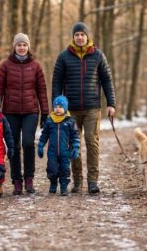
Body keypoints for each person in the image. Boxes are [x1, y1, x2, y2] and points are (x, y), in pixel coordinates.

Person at [52, 22, 116, 194]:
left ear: (87, 36)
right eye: (77, 35)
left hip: (92, 108)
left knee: (91, 140)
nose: (80, 37)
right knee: (73, 144)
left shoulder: (98, 56)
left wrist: (111, 103)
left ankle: (93, 181)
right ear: (73, 37)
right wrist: (57, 105)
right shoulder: (64, 56)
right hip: (70, 110)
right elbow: (56, 82)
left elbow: (107, 80)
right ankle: (78, 181)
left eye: (82, 34)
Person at [0, 33, 49, 195]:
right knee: (14, 146)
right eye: (19, 45)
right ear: (14, 47)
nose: (22, 47)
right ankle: (17, 181)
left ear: (28, 47)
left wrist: (45, 112)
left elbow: (42, 90)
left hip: (30, 111)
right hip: (10, 112)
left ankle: (29, 179)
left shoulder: (36, 66)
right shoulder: (5, 66)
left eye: (24, 45)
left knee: (27, 143)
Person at [37, 95, 80, 196]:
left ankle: (64, 187)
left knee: (65, 169)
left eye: (60, 107)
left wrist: (76, 146)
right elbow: (45, 134)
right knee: (52, 168)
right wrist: (41, 144)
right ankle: (53, 183)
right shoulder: (49, 120)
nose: (57, 109)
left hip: (65, 151)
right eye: (55, 106)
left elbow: (75, 135)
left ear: (65, 108)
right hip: (52, 151)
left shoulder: (70, 121)